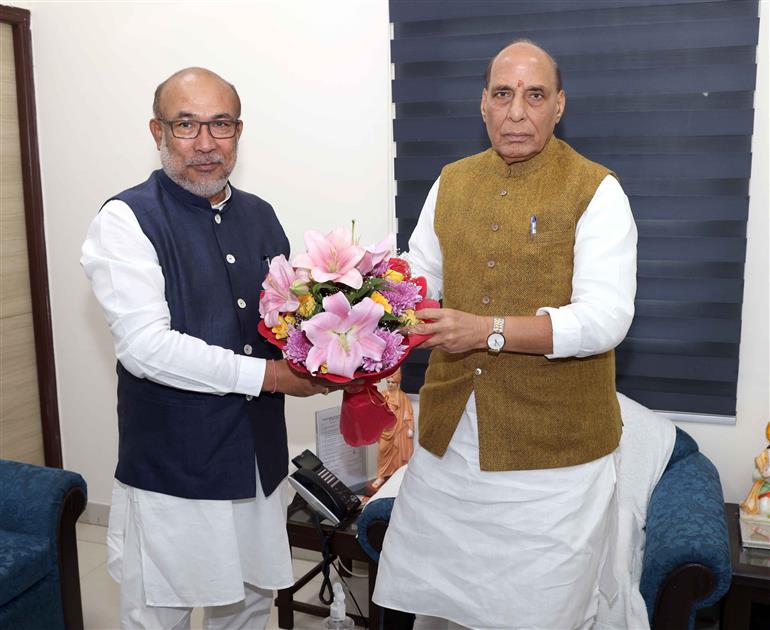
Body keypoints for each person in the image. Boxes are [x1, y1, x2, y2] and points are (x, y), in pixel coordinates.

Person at [372, 40, 637, 630]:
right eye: (503, 94)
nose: (517, 112)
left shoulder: (597, 191)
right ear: (483, 105)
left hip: (555, 460)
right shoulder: (450, 182)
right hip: (451, 448)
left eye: (534, 95)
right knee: (424, 597)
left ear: (559, 105)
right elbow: (415, 277)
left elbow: (605, 319)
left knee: (540, 612)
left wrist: (487, 331)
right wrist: (354, 304)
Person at [81, 67, 334, 629]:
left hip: (256, 463)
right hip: (176, 469)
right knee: (160, 613)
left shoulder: (261, 215)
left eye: (219, 124)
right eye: (186, 124)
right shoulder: (126, 219)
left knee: (247, 607)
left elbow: (285, 322)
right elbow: (146, 348)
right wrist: (272, 377)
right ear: (158, 131)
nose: (204, 143)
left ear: (238, 131)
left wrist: (341, 349)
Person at [373, 369, 415, 489]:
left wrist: (410, 428)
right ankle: (381, 476)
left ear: (397, 383)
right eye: (388, 382)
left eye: (393, 383)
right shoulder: (382, 395)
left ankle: (397, 475)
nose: (390, 385)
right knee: (382, 451)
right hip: (385, 430)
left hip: (399, 428)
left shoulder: (402, 397)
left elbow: (408, 413)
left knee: (399, 452)